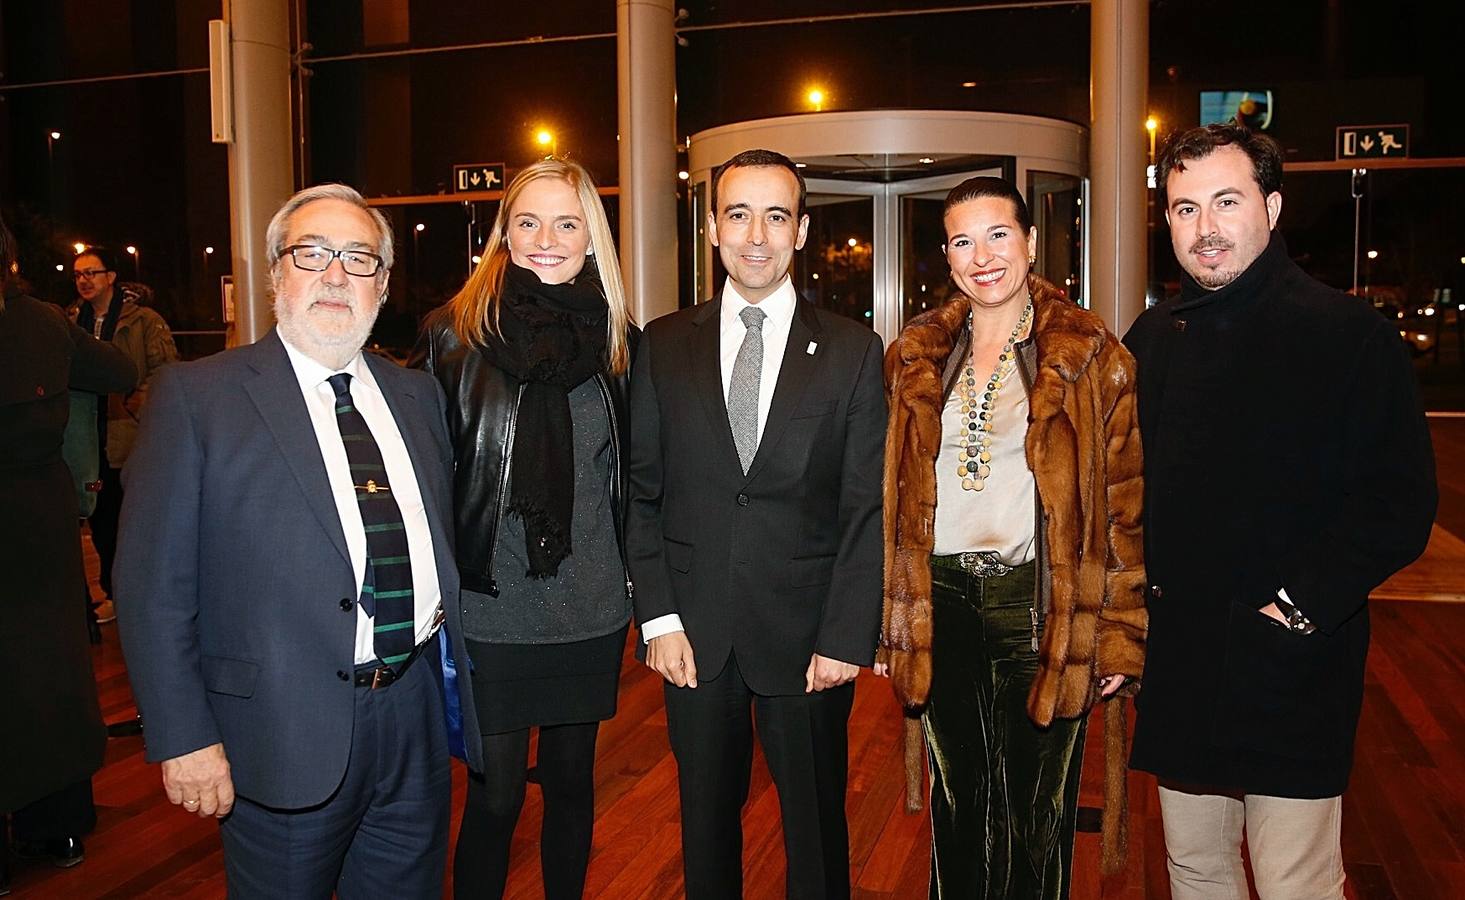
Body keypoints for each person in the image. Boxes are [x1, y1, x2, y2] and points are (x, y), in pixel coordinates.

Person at [114, 183, 481, 898]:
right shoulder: (198, 397)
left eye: (359, 257)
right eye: (312, 254)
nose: (336, 275)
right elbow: (151, 589)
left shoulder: (415, 395)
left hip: (411, 721)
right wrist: (184, 736)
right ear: (277, 271)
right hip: (277, 730)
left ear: (382, 281)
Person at [1125, 122, 1437, 900]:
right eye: (1184, 208)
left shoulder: (1349, 335)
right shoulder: (1153, 337)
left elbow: (1398, 501)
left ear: (1270, 205)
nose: (1204, 228)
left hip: (1291, 665)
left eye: (1224, 202)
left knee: (1294, 882)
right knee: (1195, 871)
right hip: (1182, 663)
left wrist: (1297, 608)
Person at [625, 148, 886, 899]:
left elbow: (863, 506)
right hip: (692, 637)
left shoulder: (850, 351)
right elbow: (642, 495)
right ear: (712, 227)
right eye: (738, 214)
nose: (756, 235)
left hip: (808, 644)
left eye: (776, 215)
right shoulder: (663, 345)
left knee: (814, 832)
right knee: (704, 828)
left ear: (801, 231)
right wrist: (659, 619)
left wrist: (844, 637)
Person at [877, 176, 1147, 899]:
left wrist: (1117, 632)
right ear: (946, 255)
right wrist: (889, 617)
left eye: (998, 234)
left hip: (1041, 609)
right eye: (962, 241)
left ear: (1029, 243)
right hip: (941, 604)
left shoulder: (1090, 356)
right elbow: (890, 500)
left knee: (1036, 812)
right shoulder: (917, 356)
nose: (982, 255)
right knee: (959, 800)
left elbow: (1121, 504)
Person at [410, 158, 635, 900]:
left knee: (571, 784)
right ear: (502, 233)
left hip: (590, 605)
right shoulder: (452, 338)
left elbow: (636, 477)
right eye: (528, 221)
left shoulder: (618, 344)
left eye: (566, 223)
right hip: (491, 607)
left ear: (590, 237)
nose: (547, 238)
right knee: (497, 796)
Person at [0, 215, 137, 892]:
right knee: (48, 669)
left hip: (30, 523)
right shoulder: (42, 324)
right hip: (37, 525)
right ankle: (59, 825)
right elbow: (119, 367)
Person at [68, 246, 177, 624]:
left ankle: (136, 596)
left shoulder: (143, 321)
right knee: (98, 521)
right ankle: (113, 593)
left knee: (129, 521)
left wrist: (133, 408)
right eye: (78, 274)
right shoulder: (69, 322)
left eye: (91, 273)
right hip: (85, 440)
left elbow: (165, 373)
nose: (84, 280)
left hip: (127, 439)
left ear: (111, 277)